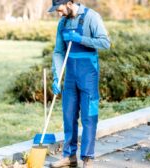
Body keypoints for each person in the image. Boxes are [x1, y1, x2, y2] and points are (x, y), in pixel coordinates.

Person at [48, 0, 110, 167]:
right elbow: (59, 51)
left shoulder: (92, 17)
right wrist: (57, 76)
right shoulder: (62, 23)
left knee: (89, 117)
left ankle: (87, 158)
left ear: (69, 3)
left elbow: (105, 42)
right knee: (68, 116)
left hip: (88, 74)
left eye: (59, 9)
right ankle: (69, 156)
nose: (58, 14)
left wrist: (80, 39)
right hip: (70, 76)